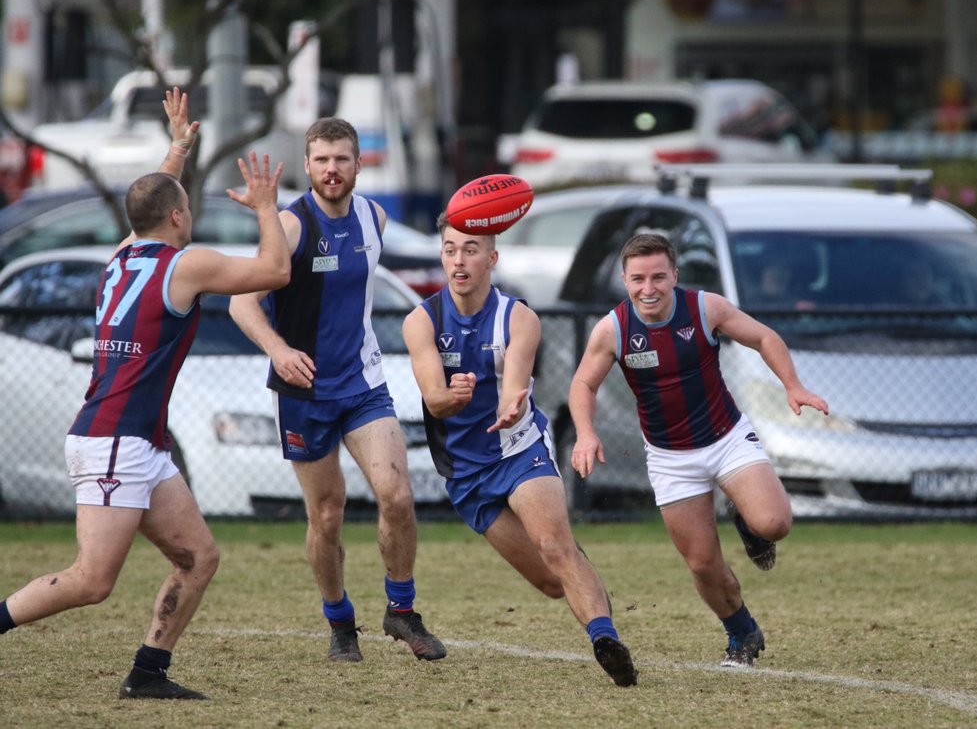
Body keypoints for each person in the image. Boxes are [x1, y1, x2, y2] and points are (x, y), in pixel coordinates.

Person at [0, 88, 291, 699]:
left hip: (137, 444)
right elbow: (275, 272)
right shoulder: (186, 267)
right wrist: (266, 206)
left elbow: (152, 198)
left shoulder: (122, 255)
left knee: (199, 558)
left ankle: (148, 674)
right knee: (91, 580)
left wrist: (178, 148)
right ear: (179, 219)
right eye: (185, 209)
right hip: (112, 444)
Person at [228, 118, 444, 664]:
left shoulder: (375, 217)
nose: (332, 169)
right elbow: (241, 303)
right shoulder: (292, 225)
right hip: (303, 392)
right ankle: (339, 620)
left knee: (396, 494)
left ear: (358, 164)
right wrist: (278, 350)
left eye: (342, 159)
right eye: (322, 159)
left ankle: (401, 609)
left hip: (363, 382)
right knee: (327, 515)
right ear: (307, 165)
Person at [568, 233, 828, 668]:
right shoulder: (613, 329)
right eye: (637, 279)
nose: (648, 288)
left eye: (657, 277)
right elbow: (583, 384)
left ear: (674, 275)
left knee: (775, 522)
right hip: (671, 458)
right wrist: (585, 433)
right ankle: (742, 633)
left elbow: (764, 338)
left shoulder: (705, 309)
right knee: (703, 564)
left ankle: (747, 520)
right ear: (624, 280)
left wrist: (792, 384)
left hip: (726, 438)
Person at [401, 214, 638, 687]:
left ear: (492, 258)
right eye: (449, 249)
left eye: (470, 249)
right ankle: (576, 569)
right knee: (552, 582)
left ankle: (605, 639)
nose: (458, 259)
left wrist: (511, 405)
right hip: (466, 475)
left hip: (518, 449)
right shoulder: (420, 320)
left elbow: (516, 382)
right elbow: (433, 399)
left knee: (555, 546)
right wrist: (454, 395)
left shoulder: (518, 317)